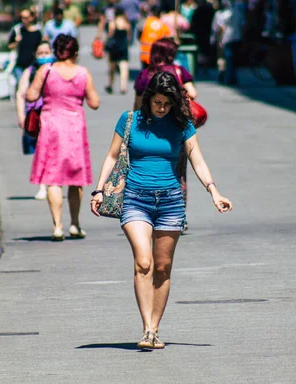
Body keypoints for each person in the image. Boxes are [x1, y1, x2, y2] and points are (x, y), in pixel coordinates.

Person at [90, 71, 232, 349]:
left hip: (170, 202)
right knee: (144, 262)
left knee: (163, 268)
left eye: (167, 104)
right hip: (135, 199)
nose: (163, 109)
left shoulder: (182, 124)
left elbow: (197, 160)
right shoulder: (130, 121)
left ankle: (155, 329)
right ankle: (146, 329)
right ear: (147, 99)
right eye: (157, 103)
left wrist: (213, 191)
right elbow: (111, 155)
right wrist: (99, 189)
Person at [26, 35, 100, 241]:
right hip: (75, 127)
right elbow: (94, 103)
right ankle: (75, 224)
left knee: (53, 178)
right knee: (76, 179)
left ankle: (58, 226)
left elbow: (31, 95)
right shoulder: (83, 73)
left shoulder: (46, 71)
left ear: (56, 52)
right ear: (75, 53)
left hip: (52, 127)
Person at [133, 38, 198, 230]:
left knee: (148, 169)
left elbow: (137, 102)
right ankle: (179, 216)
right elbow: (193, 93)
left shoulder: (145, 74)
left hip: (147, 130)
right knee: (179, 174)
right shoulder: (178, 71)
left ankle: (148, 212)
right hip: (174, 129)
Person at [16, 41, 54, 200]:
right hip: (36, 116)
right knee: (41, 151)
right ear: (35, 55)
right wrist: (21, 116)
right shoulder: (29, 71)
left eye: (47, 52)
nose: (44, 56)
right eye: (40, 53)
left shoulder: (57, 70)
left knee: (53, 151)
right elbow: (20, 94)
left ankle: (52, 183)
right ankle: (43, 185)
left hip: (54, 115)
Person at [211, 0, 245, 85]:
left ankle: (229, 78)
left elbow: (221, 28)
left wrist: (219, 39)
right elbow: (243, 25)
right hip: (237, 38)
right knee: (234, 59)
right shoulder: (238, 12)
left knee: (228, 59)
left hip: (227, 39)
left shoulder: (223, 15)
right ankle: (233, 77)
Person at [8, 8, 43, 82]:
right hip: (19, 65)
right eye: (22, 18)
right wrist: (17, 42)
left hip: (32, 65)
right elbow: (9, 46)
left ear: (31, 18)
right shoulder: (17, 30)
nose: (24, 20)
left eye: (26, 18)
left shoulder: (37, 33)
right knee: (21, 85)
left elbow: (39, 48)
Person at [105, 7, 131, 95]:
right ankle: (123, 87)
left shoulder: (113, 23)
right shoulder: (126, 24)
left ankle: (111, 85)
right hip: (123, 47)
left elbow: (110, 35)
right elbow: (128, 37)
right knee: (124, 67)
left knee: (112, 67)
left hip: (114, 48)